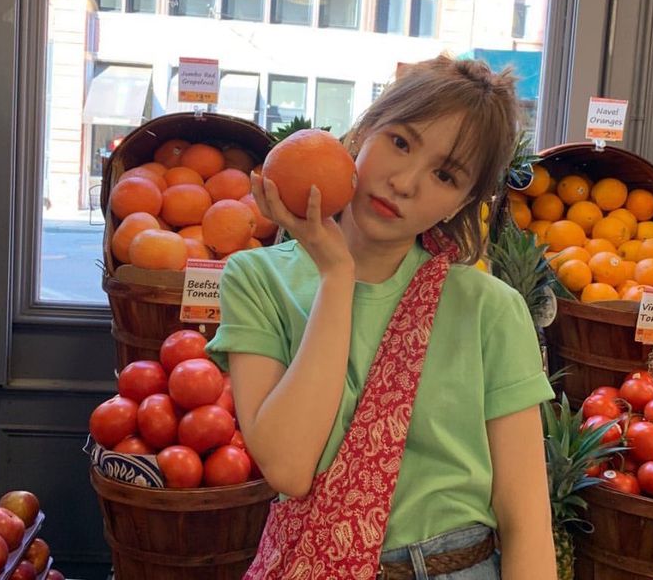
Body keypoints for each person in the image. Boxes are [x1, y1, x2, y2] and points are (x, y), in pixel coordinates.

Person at [206, 54, 557, 579]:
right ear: (364, 131)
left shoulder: (489, 309)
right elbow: (288, 466)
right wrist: (335, 276)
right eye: (400, 142)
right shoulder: (258, 279)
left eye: (445, 174)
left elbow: (525, 517)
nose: (406, 182)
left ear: (461, 204)